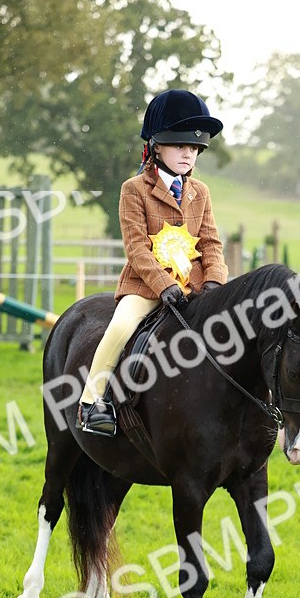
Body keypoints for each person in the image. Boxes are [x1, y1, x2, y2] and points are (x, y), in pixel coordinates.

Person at [78, 89, 228, 436]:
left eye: (194, 149)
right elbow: (136, 249)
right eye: (180, 147)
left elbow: (211, 243)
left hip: (197, 287)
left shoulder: (200, 192)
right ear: (157, 146)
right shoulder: (134, 189)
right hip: (146, 286)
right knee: (119, 327)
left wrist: (216, 282)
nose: (188, 154)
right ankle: (92, 401)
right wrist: (165, 286)